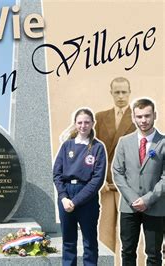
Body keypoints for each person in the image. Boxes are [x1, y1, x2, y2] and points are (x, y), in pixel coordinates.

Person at [113, 98, 164, 266]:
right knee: (127, 251)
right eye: (139, 116)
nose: (143, 120)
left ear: (154, 115)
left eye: (147, 116)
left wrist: (147, 199)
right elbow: (117, 172)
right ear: (133, 118)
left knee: (154, 254)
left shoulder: (163, 143)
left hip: (156, 207)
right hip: (129, 207)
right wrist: (134, 199)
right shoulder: (124, 142)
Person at [53, 108, 107, 266]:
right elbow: (57, 174)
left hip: (87, 197)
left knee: (89, 242)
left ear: (92, 124)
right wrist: (63, 197)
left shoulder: (97, 148)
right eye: (80, 122)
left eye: (87, 122)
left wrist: (76, 201)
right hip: (66, 196)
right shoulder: (66, 146)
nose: (83, 125)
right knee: (68, 241)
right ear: (75, 124)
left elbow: (97, 180)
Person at [95, 77, 136, 257]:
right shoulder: (100, 117)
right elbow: (89, 150)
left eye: (124, 92)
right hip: (104, 186)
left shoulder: (139, 118)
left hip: (129, 186)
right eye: (117, 92)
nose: (120, 96)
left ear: (129, 92)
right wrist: (98, 179)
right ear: (111, 93)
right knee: (104, 234)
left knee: (129, 234)